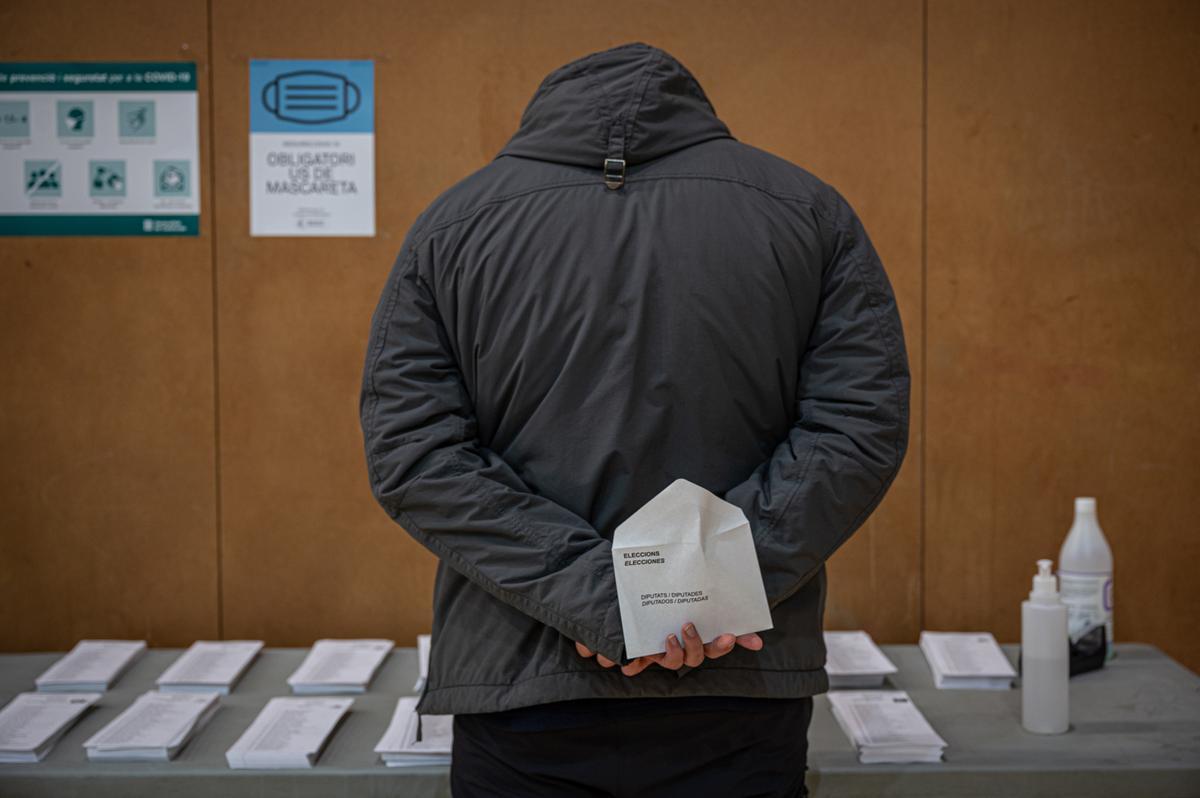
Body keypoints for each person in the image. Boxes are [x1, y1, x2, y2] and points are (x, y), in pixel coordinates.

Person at [360, 41, 910, 797]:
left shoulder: (451, 229)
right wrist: (694, 592)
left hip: (524, 692)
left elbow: (416, 455)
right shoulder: (809, 212)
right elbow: (857, 431)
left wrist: (603, 603)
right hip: (736, 692)